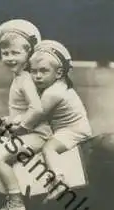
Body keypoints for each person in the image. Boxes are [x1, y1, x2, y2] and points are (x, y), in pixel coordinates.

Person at [0, 19, 52, 210]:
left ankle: (15, 201)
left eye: (15, 53)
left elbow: (37, 109)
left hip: (38, 134)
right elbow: (23, 109)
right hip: (29, 129)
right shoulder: (19, 77)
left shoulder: (25, 79)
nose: (9, 57)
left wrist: (20, 126)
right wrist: (9, 119)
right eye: (5, 53)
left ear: (29, 54)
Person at [28, 40, 92, 201]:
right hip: (69, 128)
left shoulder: (52, 93)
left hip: (72, 131)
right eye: (33, 71)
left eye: (43, 71)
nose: (37, 76)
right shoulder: (57, 86)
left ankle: (58, 182)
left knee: (49, 148)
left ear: (58, 73)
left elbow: (33, 118)